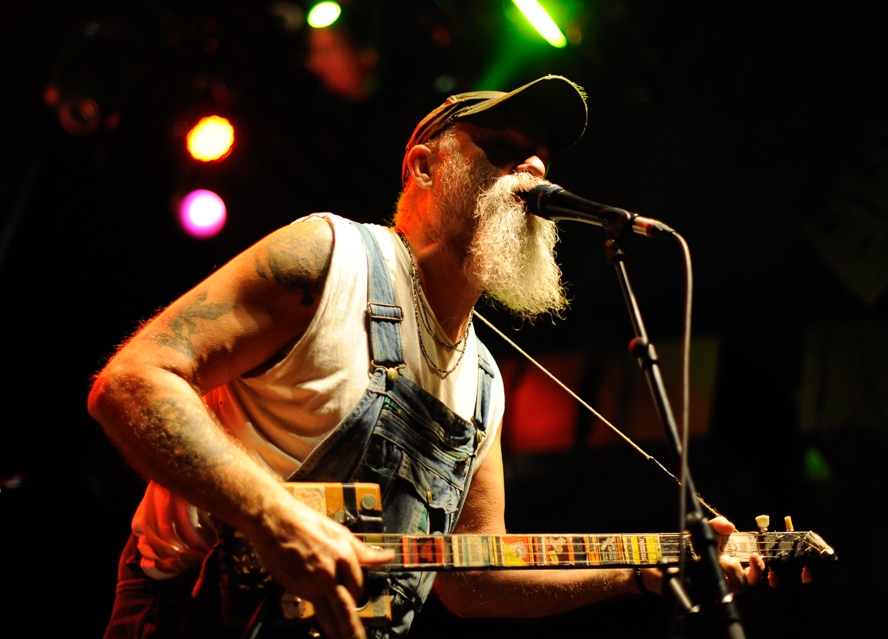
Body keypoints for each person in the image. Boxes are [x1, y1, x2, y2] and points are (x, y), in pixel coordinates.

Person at [89, 75, 764, 639]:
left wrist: (648, 570)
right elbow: (131, 380)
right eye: (503, 150)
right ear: (423, 165)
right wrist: (271, 513)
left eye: (542, 160)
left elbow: (473, 582)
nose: (531, 169)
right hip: (193, 611)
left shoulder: (482, 384)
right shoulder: (330, 259)